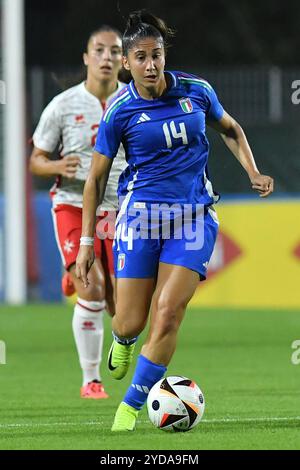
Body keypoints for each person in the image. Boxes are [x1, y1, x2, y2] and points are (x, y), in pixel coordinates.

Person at [76, 10, 274, 429]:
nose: (151, 65)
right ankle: (124, 341)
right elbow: (94, 180)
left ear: (165, 56)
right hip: (141, 221)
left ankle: (128, 409)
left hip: (194, 218)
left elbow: (231, 129)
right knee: (130, 320)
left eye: (157, 55)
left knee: (168, 312)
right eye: (142, 58)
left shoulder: (196, 91)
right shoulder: (119, 113)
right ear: (127, 65)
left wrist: (253, 172)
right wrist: (87, 243)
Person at [30, 25, 127, 399]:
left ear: (122, 60)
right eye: (99, 50)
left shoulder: (134, 101)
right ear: (87, 58)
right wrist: (56, 166)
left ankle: (77, 278)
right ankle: (91, 380)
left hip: (121, 210)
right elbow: (36, 160)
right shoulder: (62, 104)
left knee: (123, 306)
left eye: (114, 51)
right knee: (94, 287)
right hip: (72, 205)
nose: (107, 57)